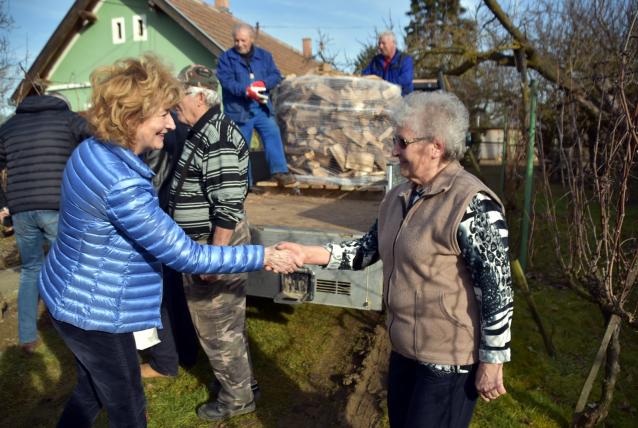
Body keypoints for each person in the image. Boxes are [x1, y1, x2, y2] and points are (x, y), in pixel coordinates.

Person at [37, 55, 300, 428]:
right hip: (94, 312)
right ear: (132, 118)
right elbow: (187, 255)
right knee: (128, 407)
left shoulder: (90, 151)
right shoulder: (122, 184)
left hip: (70, 294)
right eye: (162, 113)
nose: (171, 122)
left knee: (92, 390)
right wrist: (263, 255)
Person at [278, 91, 513, 428]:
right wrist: (306, 254)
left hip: (448, 363)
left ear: (436, 146)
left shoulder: (473, 203)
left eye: (402, 141)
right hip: (404, 350)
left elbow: (497, 290)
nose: (393, 150)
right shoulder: (398, 196)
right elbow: (365, 249)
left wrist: (492, 360)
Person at [170, 63, 259, 421]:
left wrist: (214, 258)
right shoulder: (201, 131)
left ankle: (237, 399)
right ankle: (245, 384)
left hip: (213, 245)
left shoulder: (218, 135)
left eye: (181, 93)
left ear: (200, 97)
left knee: (217, 325)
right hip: (205, 244)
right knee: (227, 323)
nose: (175, 100)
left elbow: (227, 204)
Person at [0, 92, 91, 353]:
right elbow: (98, 143)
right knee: (72, 265)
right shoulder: (69, 119)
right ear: (62, 102)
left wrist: (2, 202)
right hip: (57, 205)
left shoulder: (10, 125)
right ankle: (78, 326)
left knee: (31, 269)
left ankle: (27, 337)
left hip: (21, 211)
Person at [216, 23, 296, 187]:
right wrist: (246, 91)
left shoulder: (265, 56)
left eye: (243, 40)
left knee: (272, 134)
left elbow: (275, 75)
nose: (239, 44)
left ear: (251, 39)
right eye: (236, 40)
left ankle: (279, 172)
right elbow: (226, 81)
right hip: (238, 110)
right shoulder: (226, 58)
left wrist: (262, 85)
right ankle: (245, 184)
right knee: (240, 146)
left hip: (261, 108)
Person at [362, 31, 414, 96]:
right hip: (379, 101)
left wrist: (383, 86)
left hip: (402, 100)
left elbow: (406, 80)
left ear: (393, 44)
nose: (380, 46)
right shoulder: (375, 61)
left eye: (383, 43)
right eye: (379, 43)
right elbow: (364, 76)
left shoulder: (405, 60)